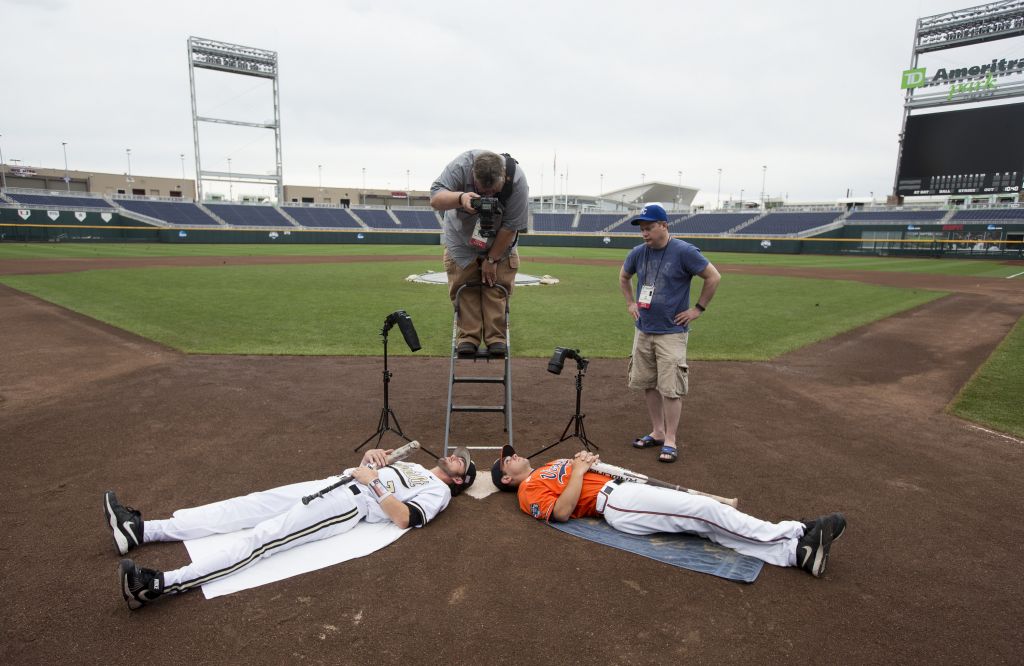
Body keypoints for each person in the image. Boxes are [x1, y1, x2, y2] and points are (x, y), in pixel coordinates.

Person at [104, 448, 476, 610]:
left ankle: (158, 586)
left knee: (263, 539)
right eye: (458, 453)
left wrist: (374, 483)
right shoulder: (415, 467)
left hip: (346, 505)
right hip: (330, 483)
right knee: (241, 507)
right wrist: (369, 463)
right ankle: (141, 530)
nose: (457, 455)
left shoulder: (438, 491)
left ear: (460, 482)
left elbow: (405, 518)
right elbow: (374, 476)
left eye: (464, 462)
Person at [491, 445, 846, 577]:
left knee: (705, 526)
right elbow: (563, 513)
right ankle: (792, 531)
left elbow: (580, 476)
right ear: (507, 478)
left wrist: (588, 463)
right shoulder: (528, 491)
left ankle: (795, 553)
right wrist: (581, 471)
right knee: (703, 510)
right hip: (616, 505)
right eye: (508, 460)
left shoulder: (550, 463)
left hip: (625, 491)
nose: (515, 454)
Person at [618, 203, 722, 463]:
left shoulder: (684, 251)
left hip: (671, 332)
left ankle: (672, 440)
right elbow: (623, 276)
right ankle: (657, 431)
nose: (644, 233)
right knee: (648, 384)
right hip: (643, 329)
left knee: (671, 388)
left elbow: (713, 277)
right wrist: (630, 303)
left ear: (664, 226)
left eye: (649, 228)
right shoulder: (638, 253)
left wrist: (698, 309)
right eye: (642, 229)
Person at [430, 150, 529, 358]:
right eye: (482, 192)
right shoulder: (460, 166)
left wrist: (492, 259)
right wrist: (461, 197)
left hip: (500, 244)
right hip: (460, 241)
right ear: (472, 175)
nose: (488, 197)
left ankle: (497, 338)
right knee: (464, 288)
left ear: (504, 176)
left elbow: (511, 226)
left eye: (494, 191)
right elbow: (435, 198)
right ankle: (468, 337)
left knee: (496, 286)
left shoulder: (518, 181)